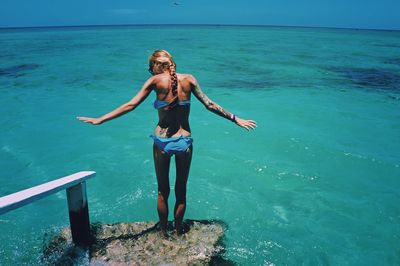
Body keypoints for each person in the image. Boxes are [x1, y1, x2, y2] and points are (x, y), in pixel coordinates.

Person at [77, 50, 257, 236]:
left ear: (156, 65)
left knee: (163, 191)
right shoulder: (189, 79)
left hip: (162, 142)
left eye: (151, 67)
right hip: (184, 142)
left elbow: (130, 105)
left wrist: (101, 119)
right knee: (181, 190)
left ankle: (163, 233)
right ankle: (178, 232)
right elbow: (210, 104)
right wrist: (236, 119)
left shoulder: (154, 82)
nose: (151, 71)